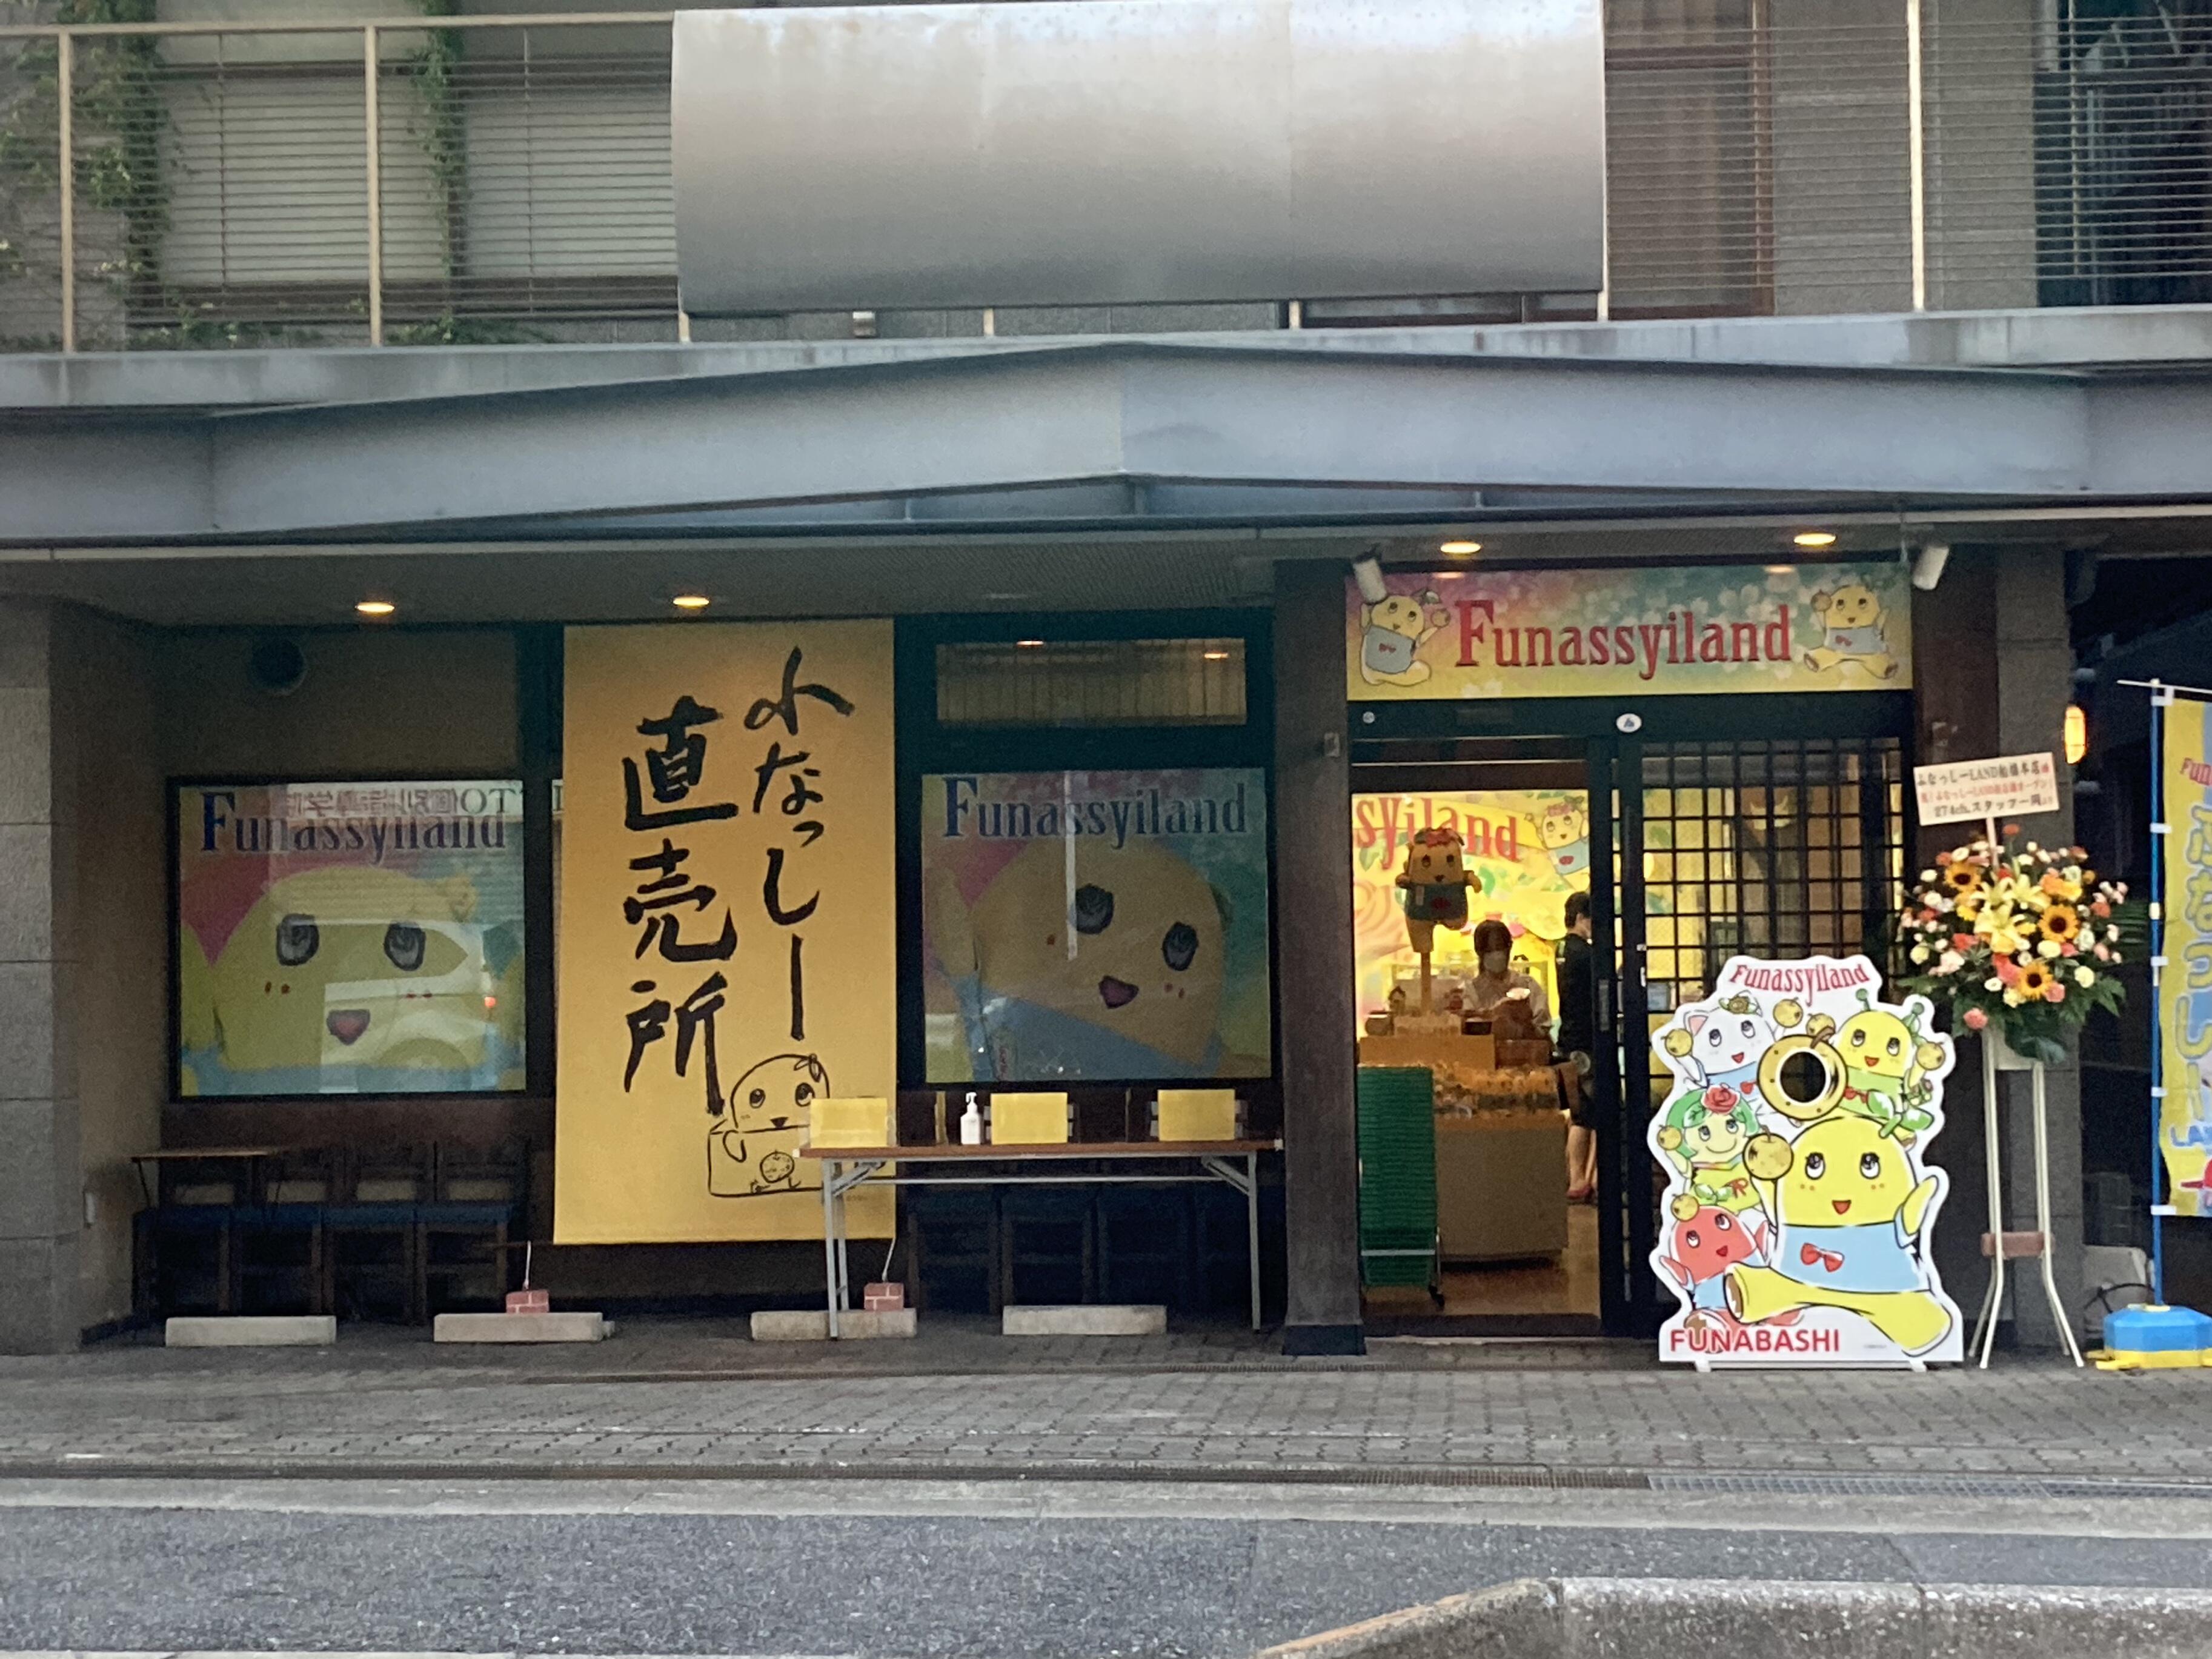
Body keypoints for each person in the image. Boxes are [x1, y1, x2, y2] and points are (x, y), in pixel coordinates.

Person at [1556, 891, 1600, 1202]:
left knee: (1579, 1111)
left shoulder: (1561, 949)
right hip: (1586, 1042)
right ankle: (1582, 1179)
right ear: (1582, 919)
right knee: (1589, 1113)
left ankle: (1579, 1178)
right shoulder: (1586, 955)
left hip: (1568, 1040)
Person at [1464, 918, 1549, 1028]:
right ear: (1479, 951)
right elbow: (1468, 1032)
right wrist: (1494, 1015)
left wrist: (1526, 1022)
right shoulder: (1470, 991)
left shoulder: (1527, 985)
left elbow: (1543, 1029)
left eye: (1500, 947)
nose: (1497, 955)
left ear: (1509, 947)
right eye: (1490, 949)